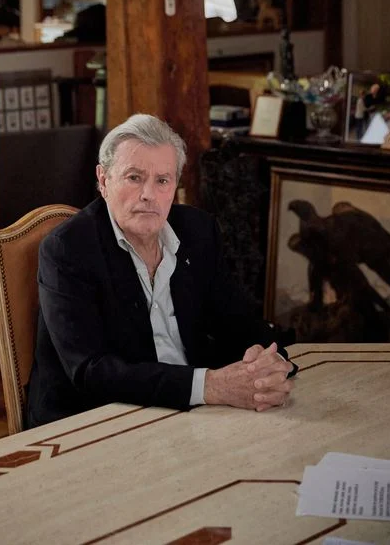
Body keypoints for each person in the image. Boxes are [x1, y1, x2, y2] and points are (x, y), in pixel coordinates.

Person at [27, 114, 297, 427]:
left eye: (162, 180)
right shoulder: (68, 249)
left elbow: (238, 322)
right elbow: (91, 371)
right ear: (103, 180)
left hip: (191, 412)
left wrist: (270, 362)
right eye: (134, 177)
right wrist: (209, 386)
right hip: (94, 420)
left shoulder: (198, 232)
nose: (148, 194)